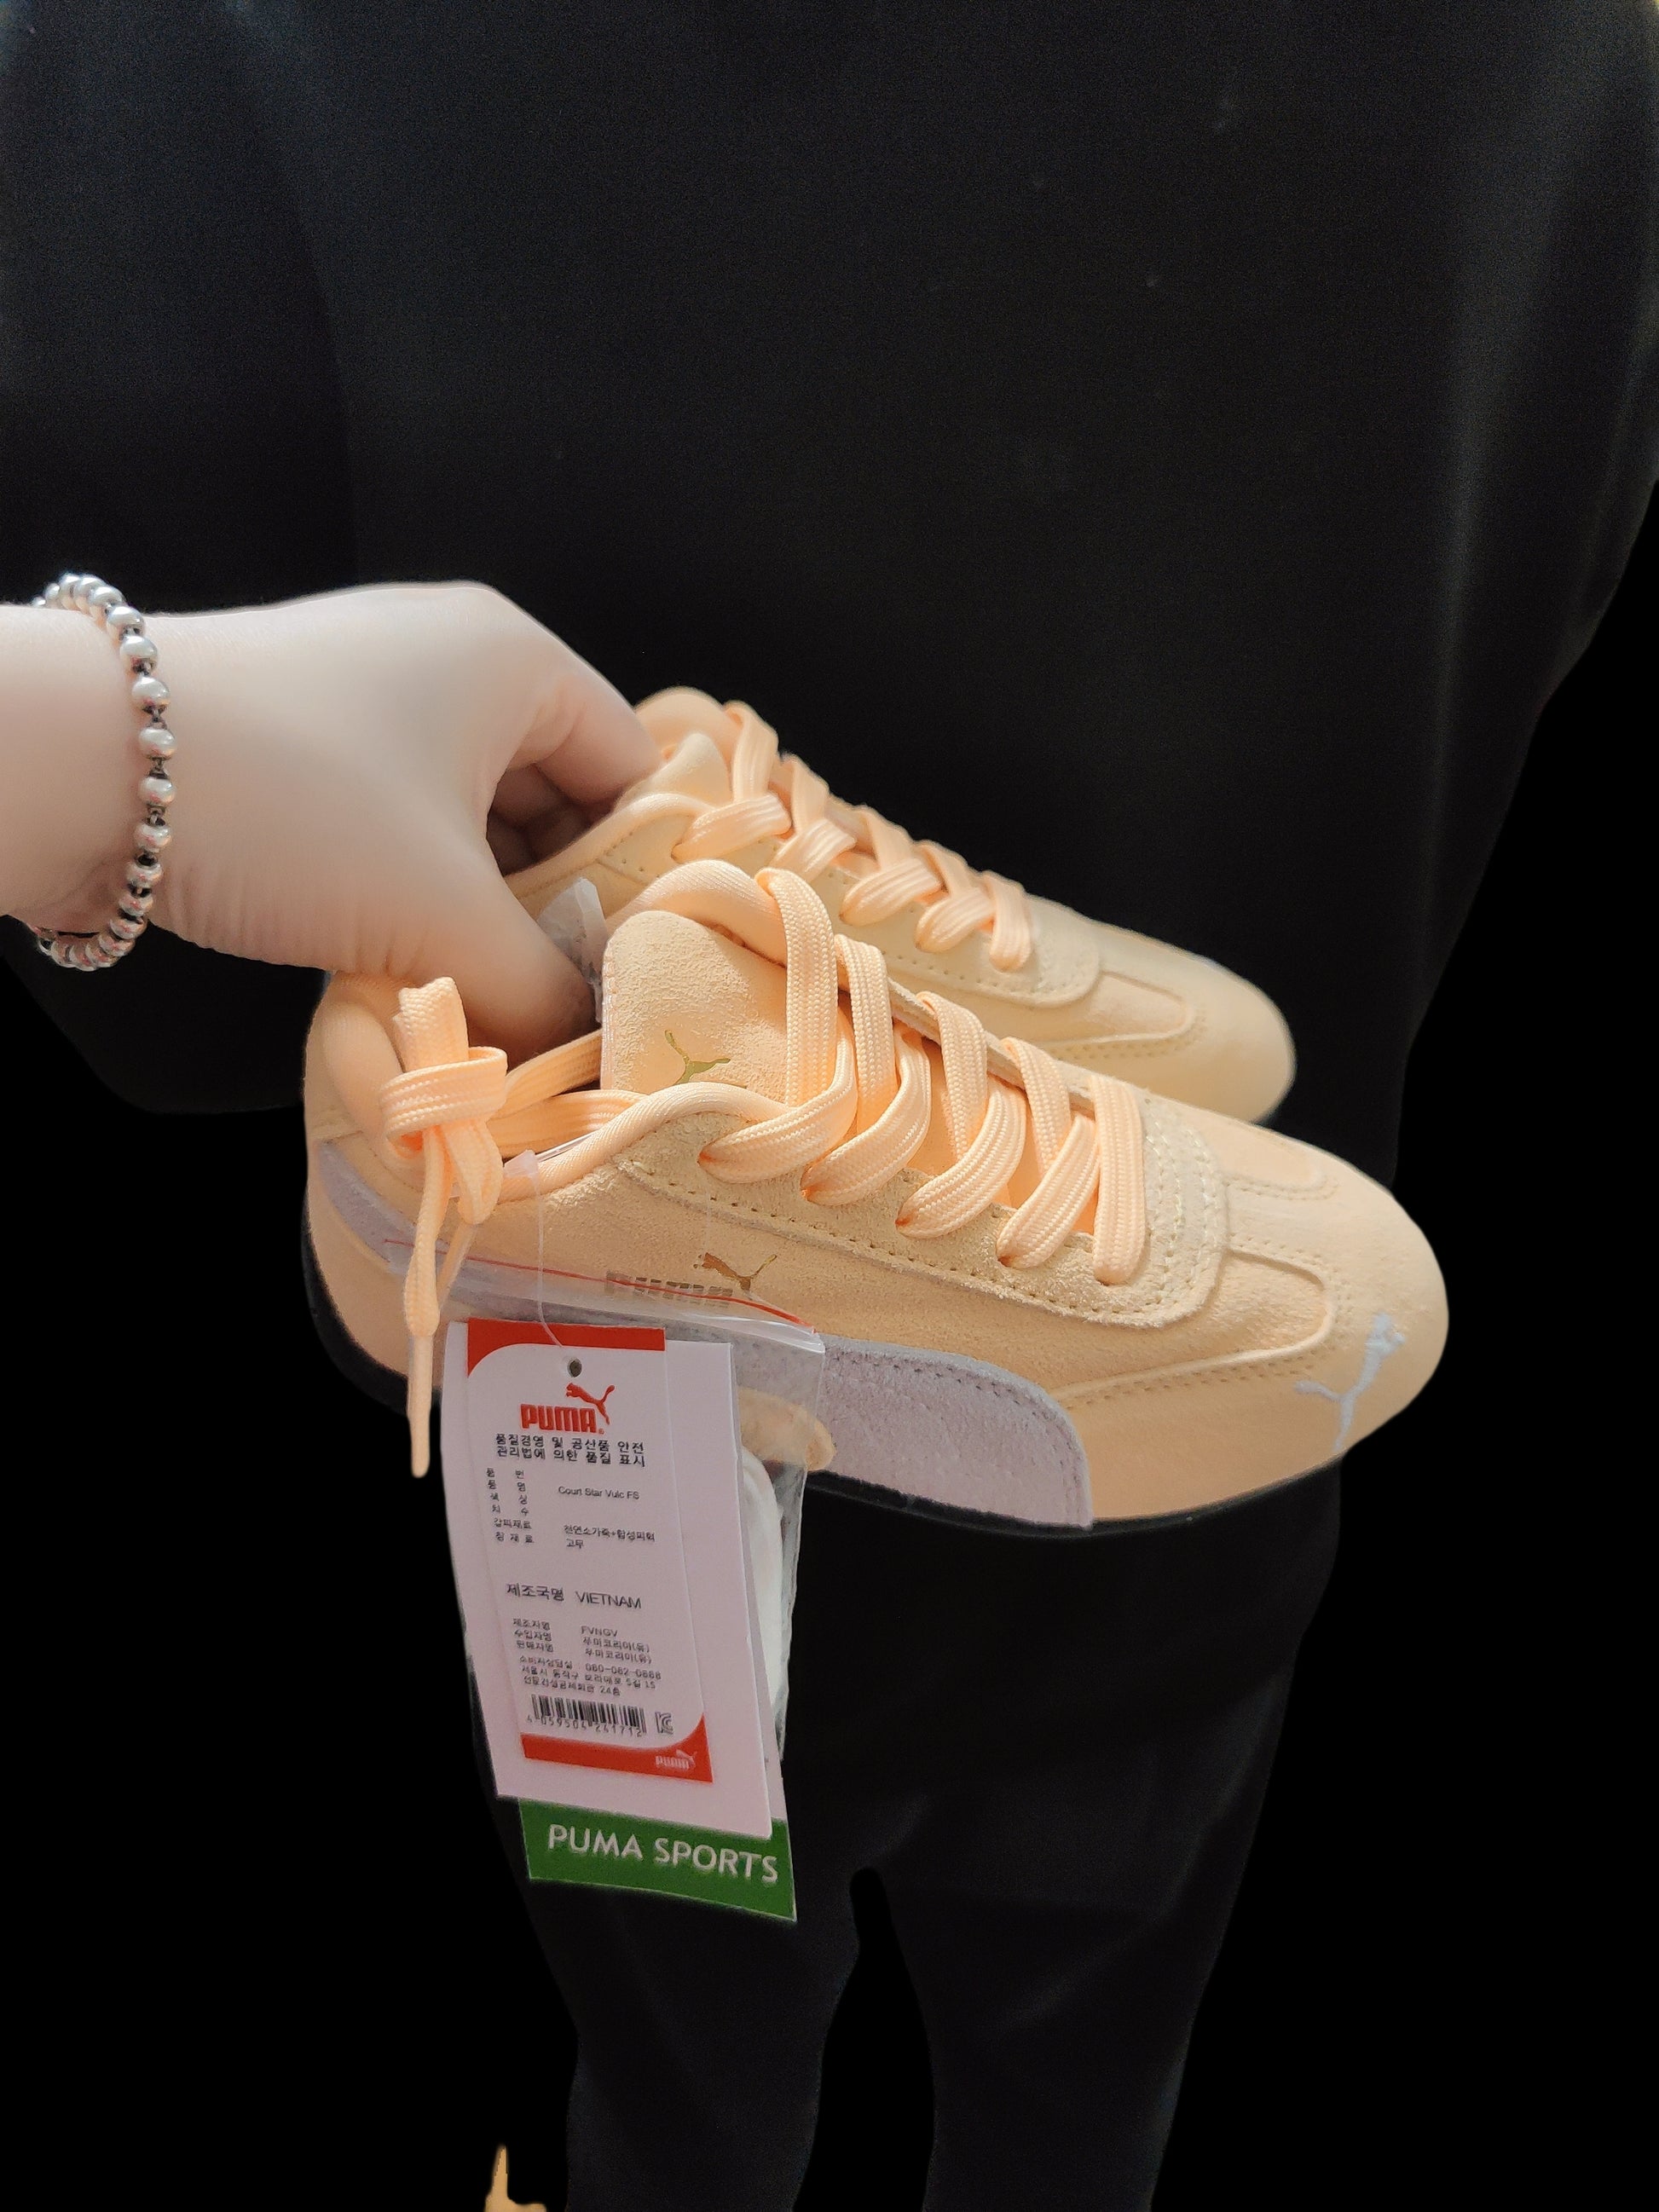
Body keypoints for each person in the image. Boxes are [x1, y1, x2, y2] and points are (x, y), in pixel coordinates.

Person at [3, 8, 1655, 2209]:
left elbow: (170, 1024)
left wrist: (120, 751)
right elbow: (1558, 557)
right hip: (1183, 1523)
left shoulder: (158, 43)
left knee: (682, 2115)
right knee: (1070, 2110)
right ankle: (640, 1115)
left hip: (622, 1539)